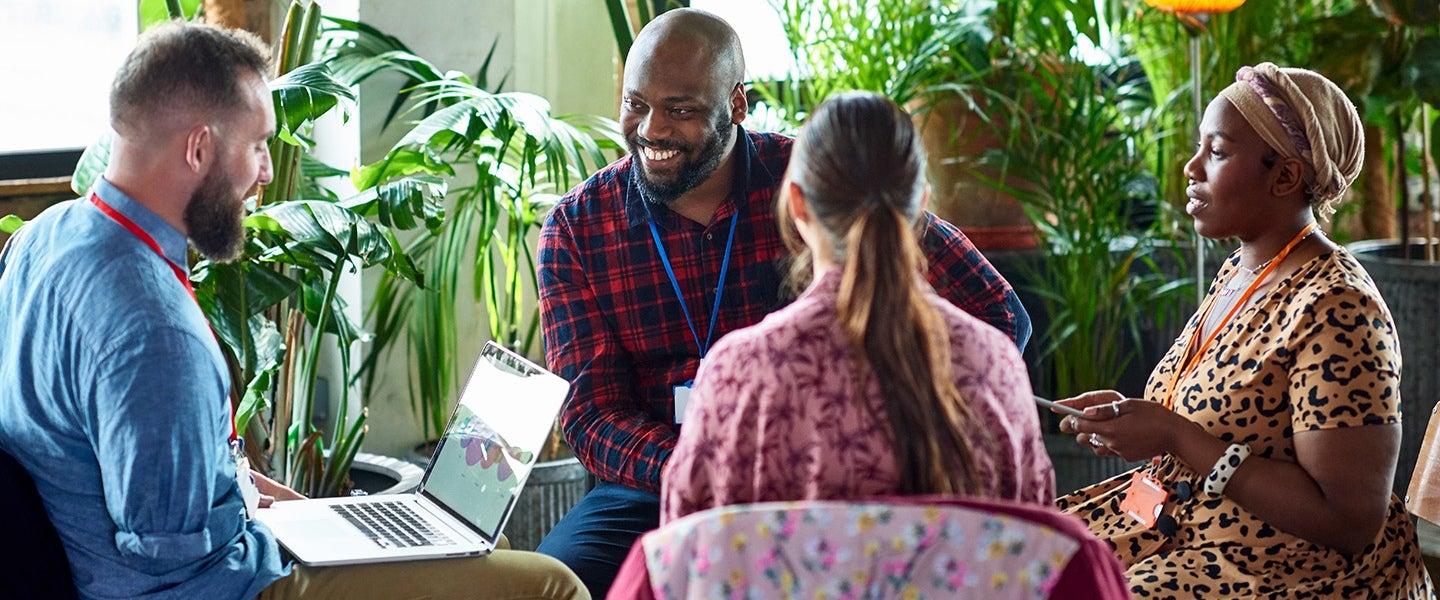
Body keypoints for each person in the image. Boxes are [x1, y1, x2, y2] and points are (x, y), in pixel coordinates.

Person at [0, 21, 585, 600]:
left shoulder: (44, 237)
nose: (267, 173)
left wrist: (318, 517)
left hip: (184, 561)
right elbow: (175, 561)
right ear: (198, 147)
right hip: (215, 589)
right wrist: (290, 536)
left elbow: (172, 486)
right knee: (550, 584)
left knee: (484, 549)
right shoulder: (155, 332)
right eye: (257, 146)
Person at [536, 8, 1031, 597]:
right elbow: (590, 414)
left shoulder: (816, 185)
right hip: (651, 486)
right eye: (636, 103)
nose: (651, 129)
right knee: (556, 579)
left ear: (737, 106)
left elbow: (997, 318)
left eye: (681, 110)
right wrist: (712, 468)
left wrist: (874, 435)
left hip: (828, 470)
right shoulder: (576, 228)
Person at [1053, 63, 1434, 598]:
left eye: (1218, 151)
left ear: (1284, 177)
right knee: (1017, 552)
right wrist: (1132, 420)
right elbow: (1219, 423)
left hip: (1274, 568)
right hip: (1172, 525)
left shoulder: (1337, 306)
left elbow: (1349, 522)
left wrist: (1172, 433)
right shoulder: (1243, 270)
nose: (1190, 167)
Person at [659, 91, 1054, 523]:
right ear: (920, 203)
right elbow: (1037, 549)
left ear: (797, 205)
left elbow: (683, 557)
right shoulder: (995, 364)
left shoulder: (739, 374)